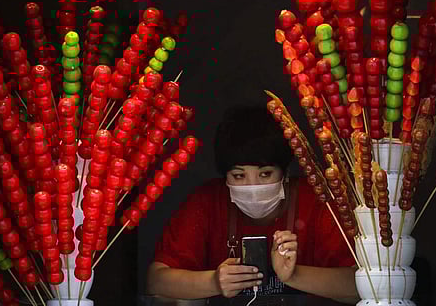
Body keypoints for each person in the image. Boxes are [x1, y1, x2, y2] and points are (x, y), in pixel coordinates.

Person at [146, 105, 359, 305]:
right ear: (225, 177)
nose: (252, 186)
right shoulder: (208, 201)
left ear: (285, 173)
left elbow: (360, 285)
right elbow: (157, 281)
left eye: (265, 174)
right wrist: (214, 282)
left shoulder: (318, 200)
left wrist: (293, 275)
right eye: (238, 176)